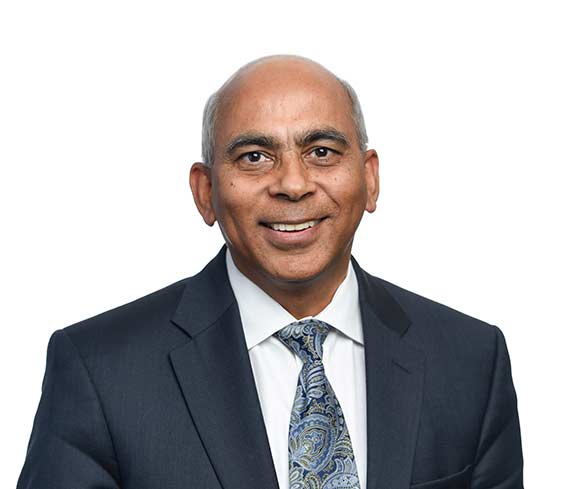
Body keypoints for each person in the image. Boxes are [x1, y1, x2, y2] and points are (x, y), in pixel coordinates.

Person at [16, 55, 524, 489]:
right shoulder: (99, 370)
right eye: (255, 157)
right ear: (205, 192)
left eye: (321, 152)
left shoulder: (471, 362)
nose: (293, 184)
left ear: (370, 179)